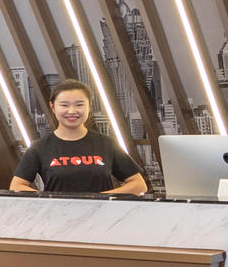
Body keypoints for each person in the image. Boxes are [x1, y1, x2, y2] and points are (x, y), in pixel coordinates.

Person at [11, 78, 148, 196]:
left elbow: (139, 185)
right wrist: (50, 199)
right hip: (58, 215)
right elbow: (16, 186)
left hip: (103, 214)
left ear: (89, 107)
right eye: (64, 105)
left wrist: (101, 198)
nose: (72, 111)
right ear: (53, 107)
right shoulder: (40, 147)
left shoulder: (106, 144)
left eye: (79, 105)